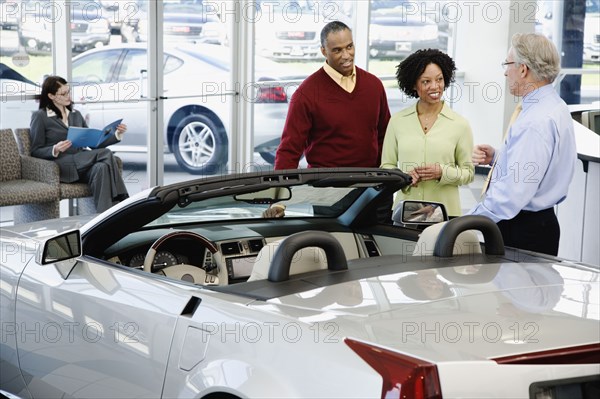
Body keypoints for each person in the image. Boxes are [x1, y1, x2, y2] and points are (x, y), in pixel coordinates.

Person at [468, 33, 577, 256]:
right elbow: (539, 164)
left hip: (520, 230)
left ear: (524, 69)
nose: (505, 72)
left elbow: (511, 195)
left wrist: (469, 223)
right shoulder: (555, 106)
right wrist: (499, 156)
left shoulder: (534, 122)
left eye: (508, 64)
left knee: (512, 291)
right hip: (541, 224)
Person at [274, 20, 391, 170]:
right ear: (324, 51)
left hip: (369, 182)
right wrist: (281, 190)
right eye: (337, 50)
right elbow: (289, 150)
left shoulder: (374, 85)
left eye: (349, 47)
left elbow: (385, 136)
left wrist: (383, 179)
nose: (346, 55)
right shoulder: (306, 93)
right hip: (325, 185)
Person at [380, 49, 474, 217]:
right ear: (414, 85)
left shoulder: (460, 124)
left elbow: (468, 172)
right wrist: (403, 178)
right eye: (426, 81)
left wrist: (442, 172)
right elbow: (386, 166)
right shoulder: (397, 121)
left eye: (439, 79)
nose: (435, 87)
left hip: (445, 214)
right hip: (406, 213)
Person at [30, 75, 129, 213]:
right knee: (106, 154)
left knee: (101, 168)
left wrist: (116, 134)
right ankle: (123, 199)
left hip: (83, 163)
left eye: (68, 91)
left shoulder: (76, 114)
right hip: (62, 165)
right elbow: (35, 150)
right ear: (51, 96)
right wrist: (55, 149)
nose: (68, 96)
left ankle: (104, 217)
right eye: (63, 93)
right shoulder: (40, 116)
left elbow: (95, 145)